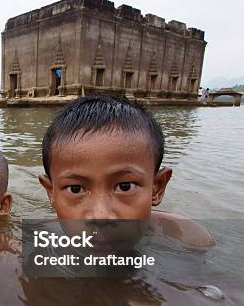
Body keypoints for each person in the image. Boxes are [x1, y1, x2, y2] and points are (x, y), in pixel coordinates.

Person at [38, 95, 213, 247]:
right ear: (51, 192)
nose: (101, 216)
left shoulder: (185, 237)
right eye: (75, 189)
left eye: (125, 186)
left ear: (157, 188)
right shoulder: (38, 240)